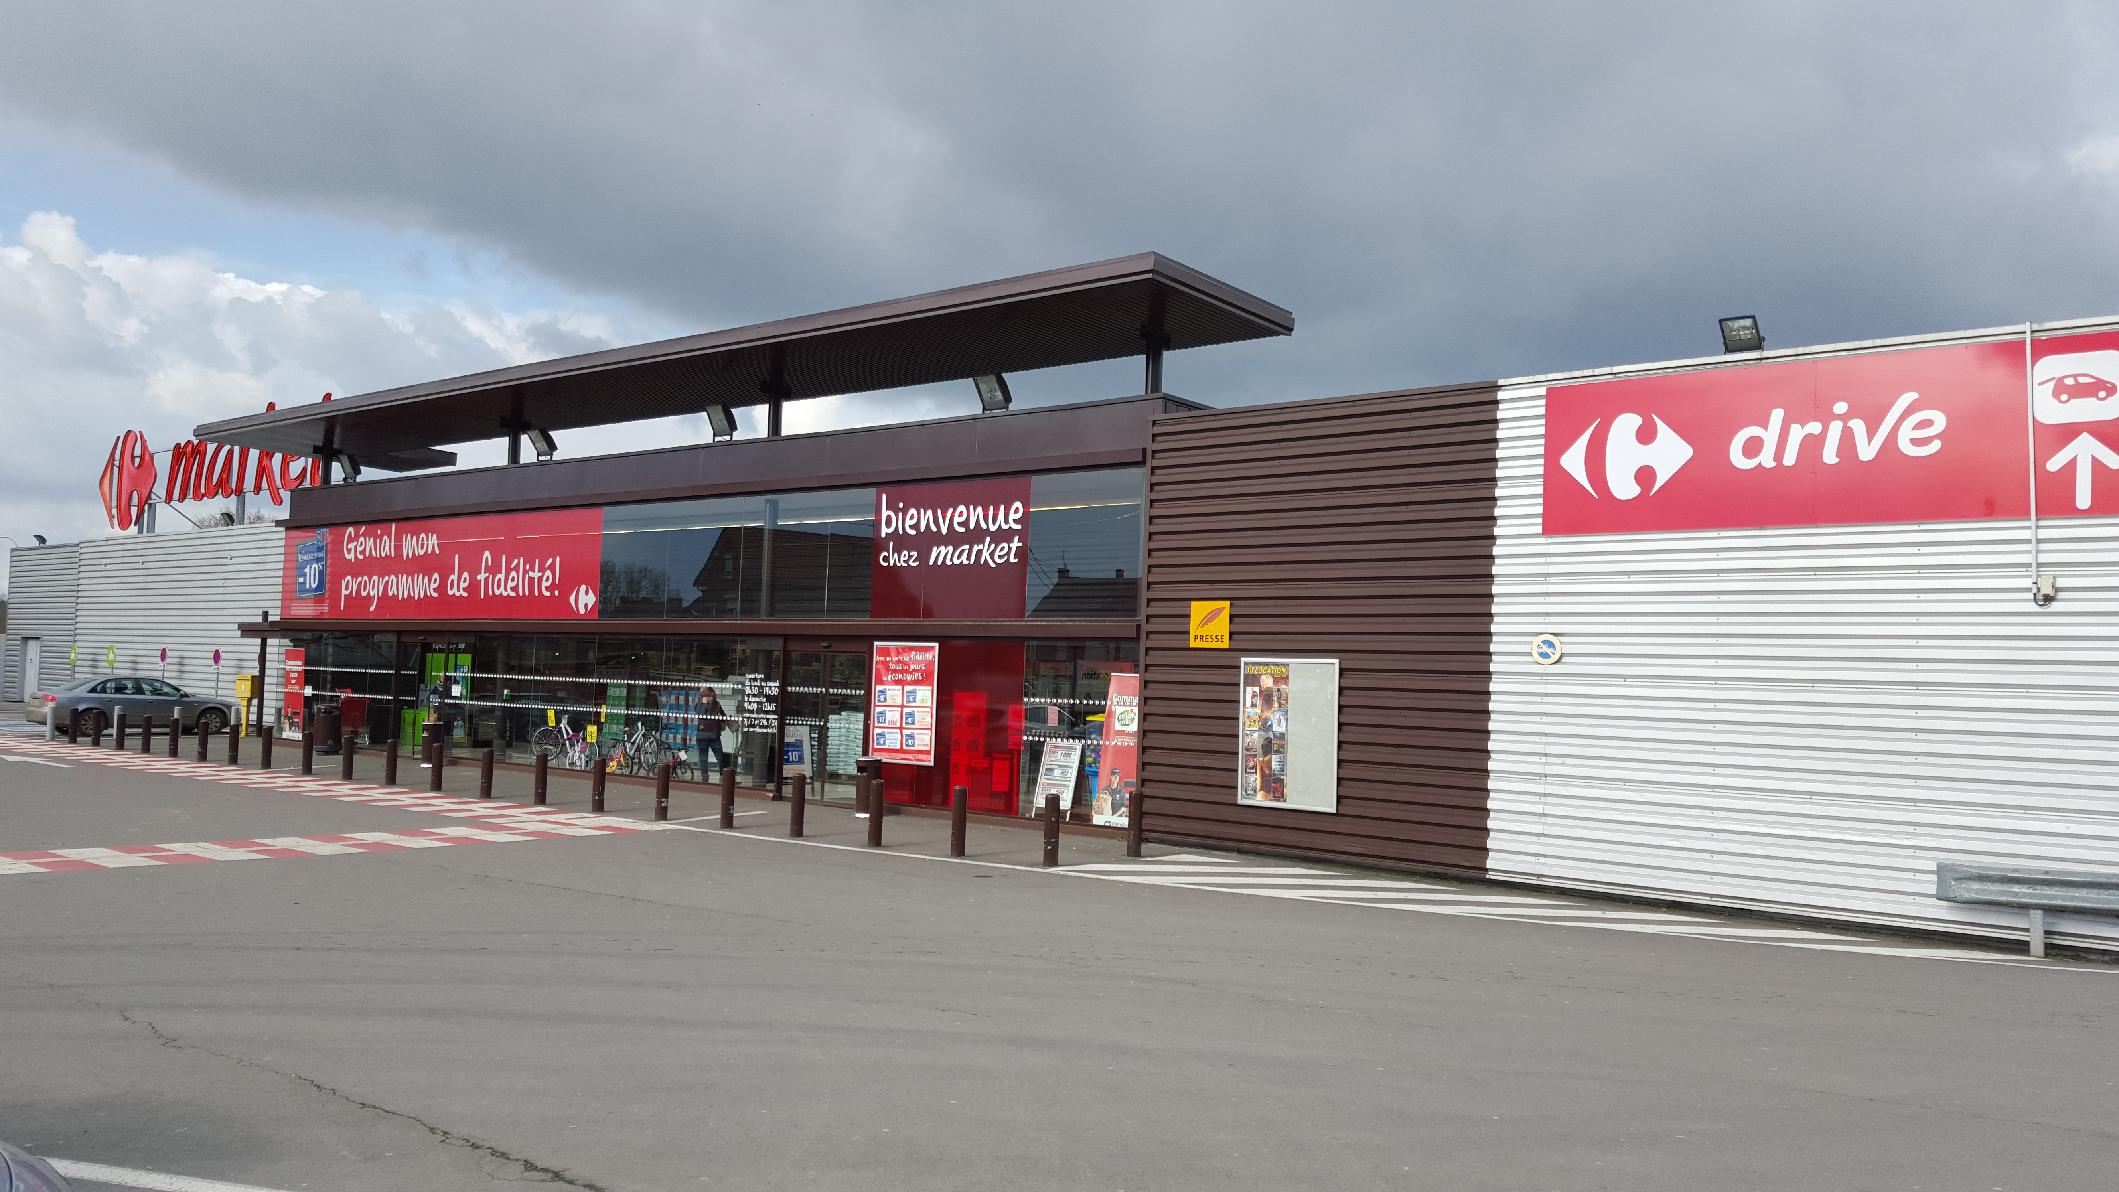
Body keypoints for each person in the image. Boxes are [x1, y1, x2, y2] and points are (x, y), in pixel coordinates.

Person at [699, 684, 731, 779]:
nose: (711, 698)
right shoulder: (699, 704)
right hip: (703, 735)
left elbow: (723, 715)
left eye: (713, 695)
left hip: (714, 734)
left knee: (720, 756)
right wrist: (704, 704)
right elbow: (700, 714)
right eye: (709, 696)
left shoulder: (717, 704)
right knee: (703, 758)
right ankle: (704, 776)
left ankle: (724, 775)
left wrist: (723, 718)